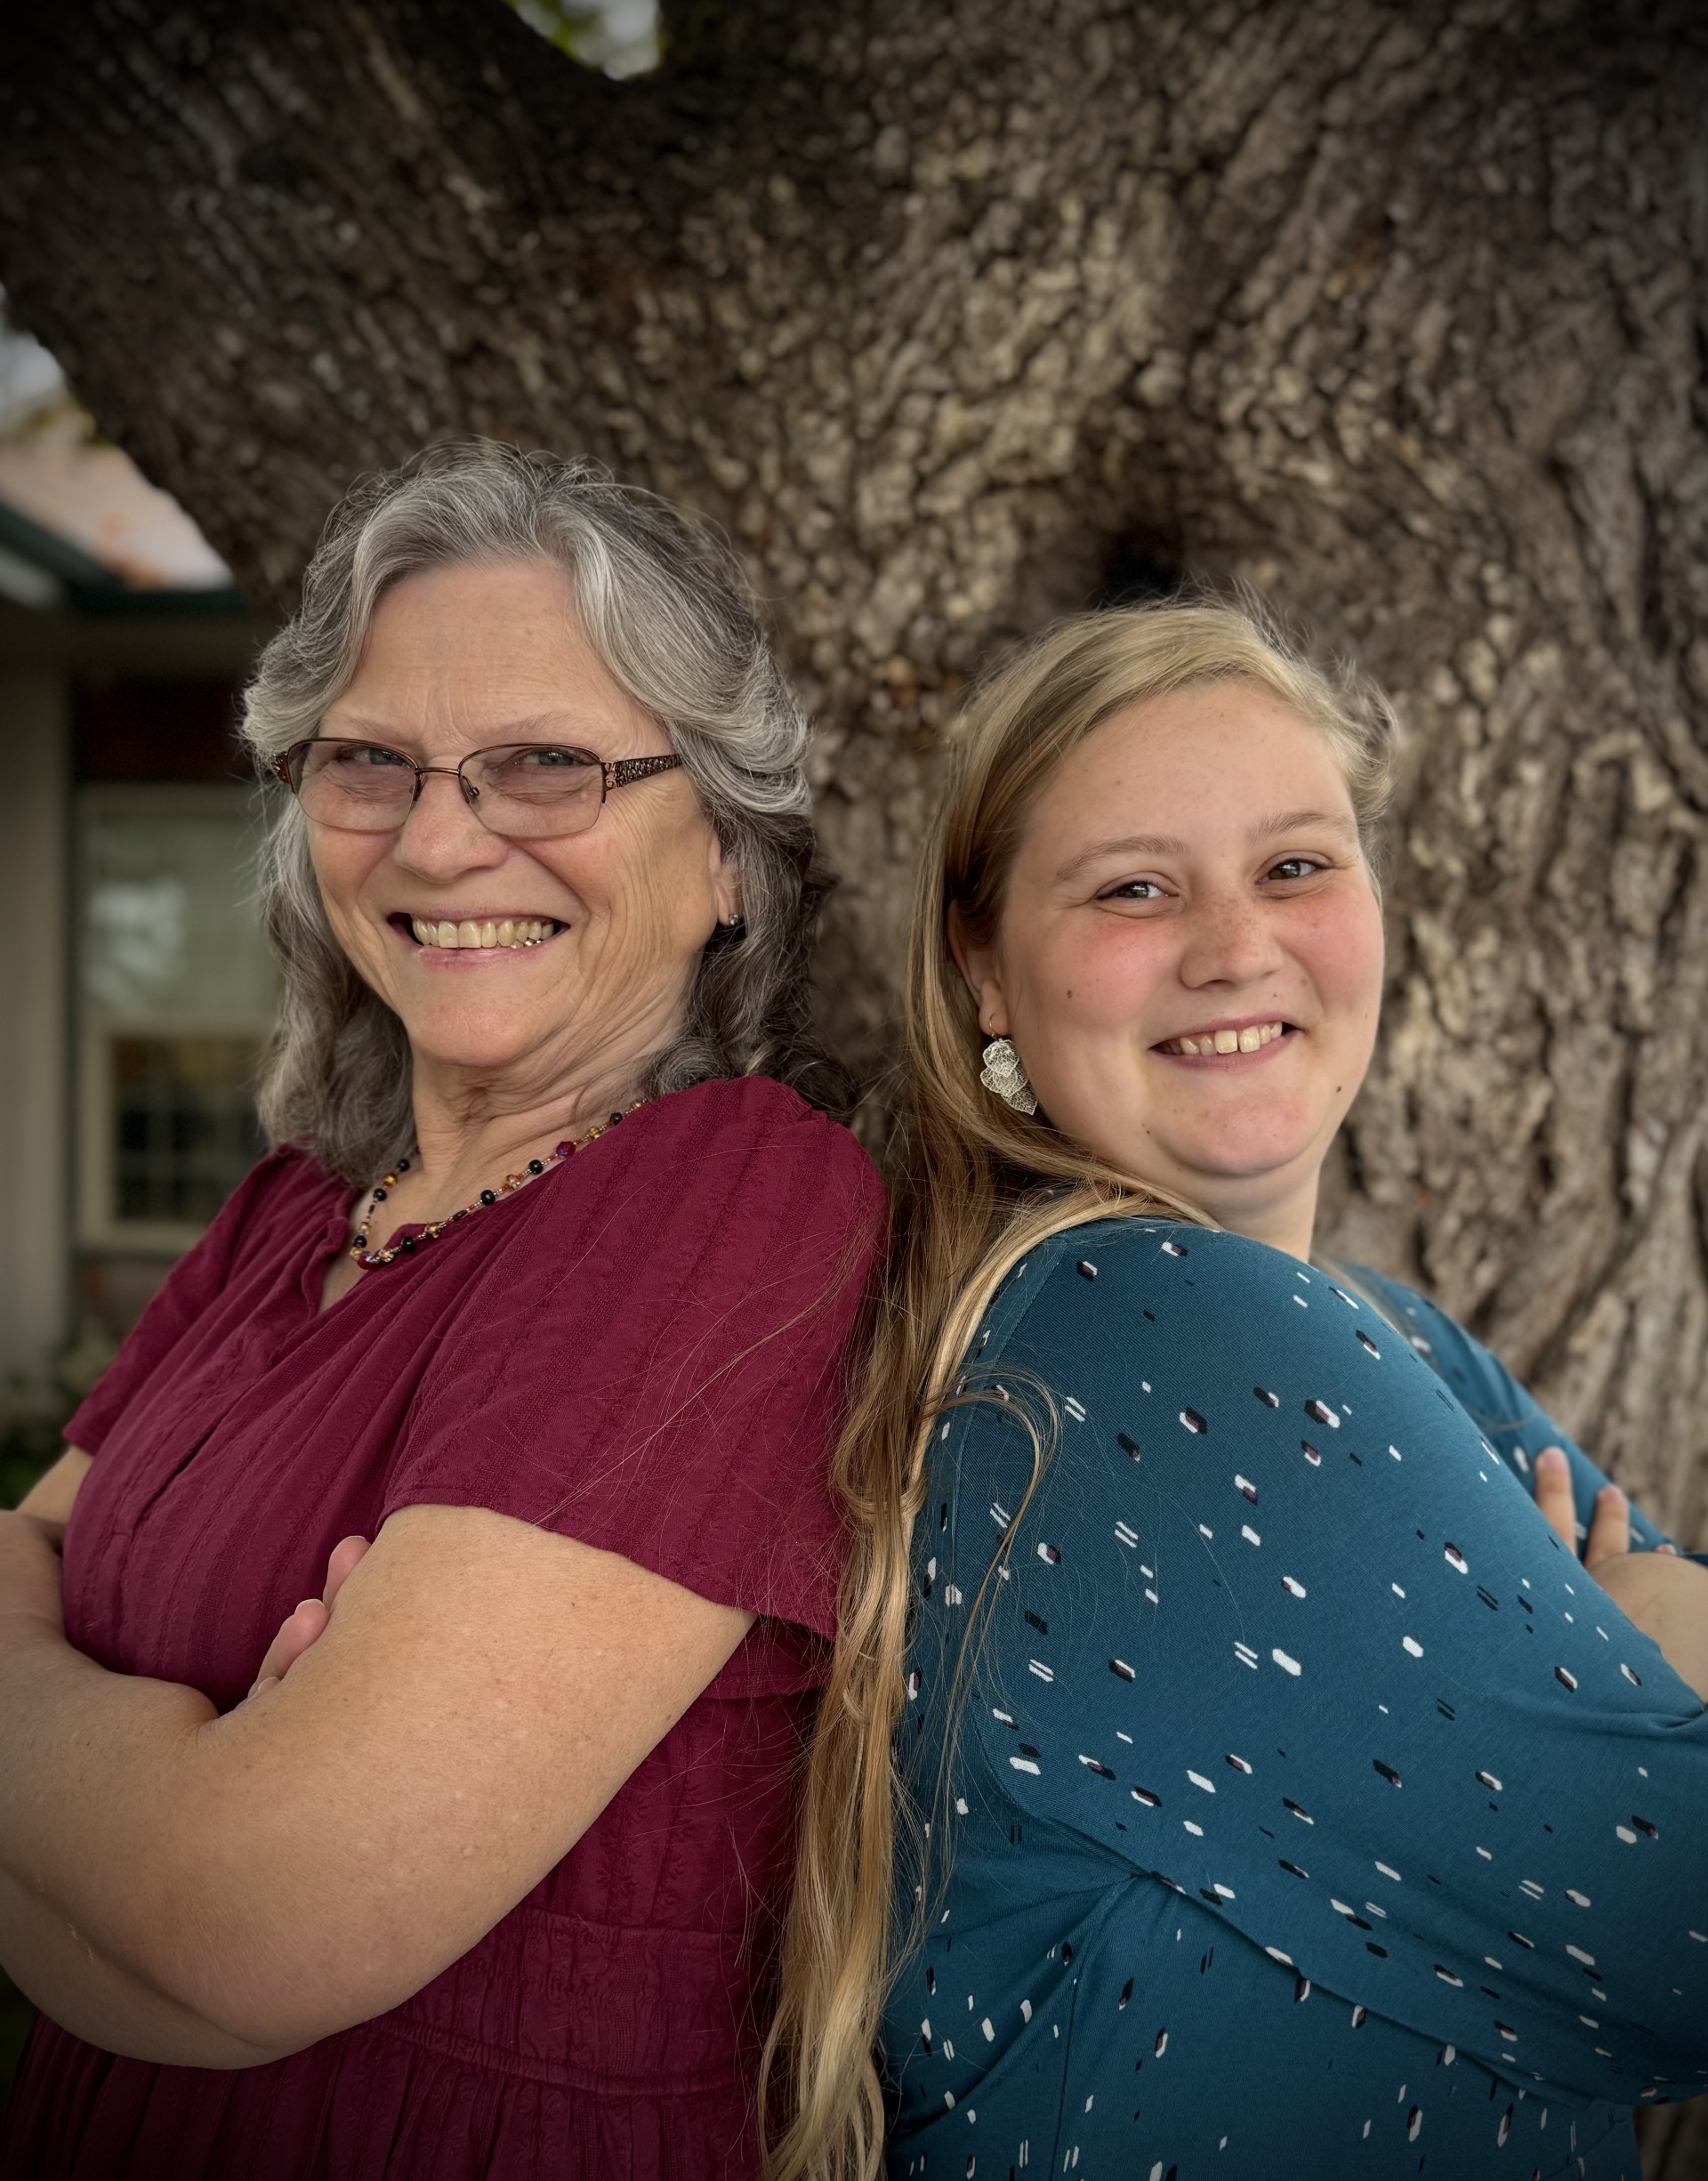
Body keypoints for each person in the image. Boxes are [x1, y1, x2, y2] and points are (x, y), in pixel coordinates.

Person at [0, 441, 884, 2181]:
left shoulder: (732, 1205)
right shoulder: (293, 1208)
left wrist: (134, 1850)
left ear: (724, 852)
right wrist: (161, 1796)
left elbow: (257, 1916)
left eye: (544, 763)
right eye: (369, 763)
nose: (438, 835)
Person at [761, 601, 1708, 2181]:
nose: (1236, 946)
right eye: (1135, 887)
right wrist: (1657, 1617)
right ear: (982, 972)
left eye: (1296, 865)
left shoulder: (1388, 1340)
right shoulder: (1141, 1331)